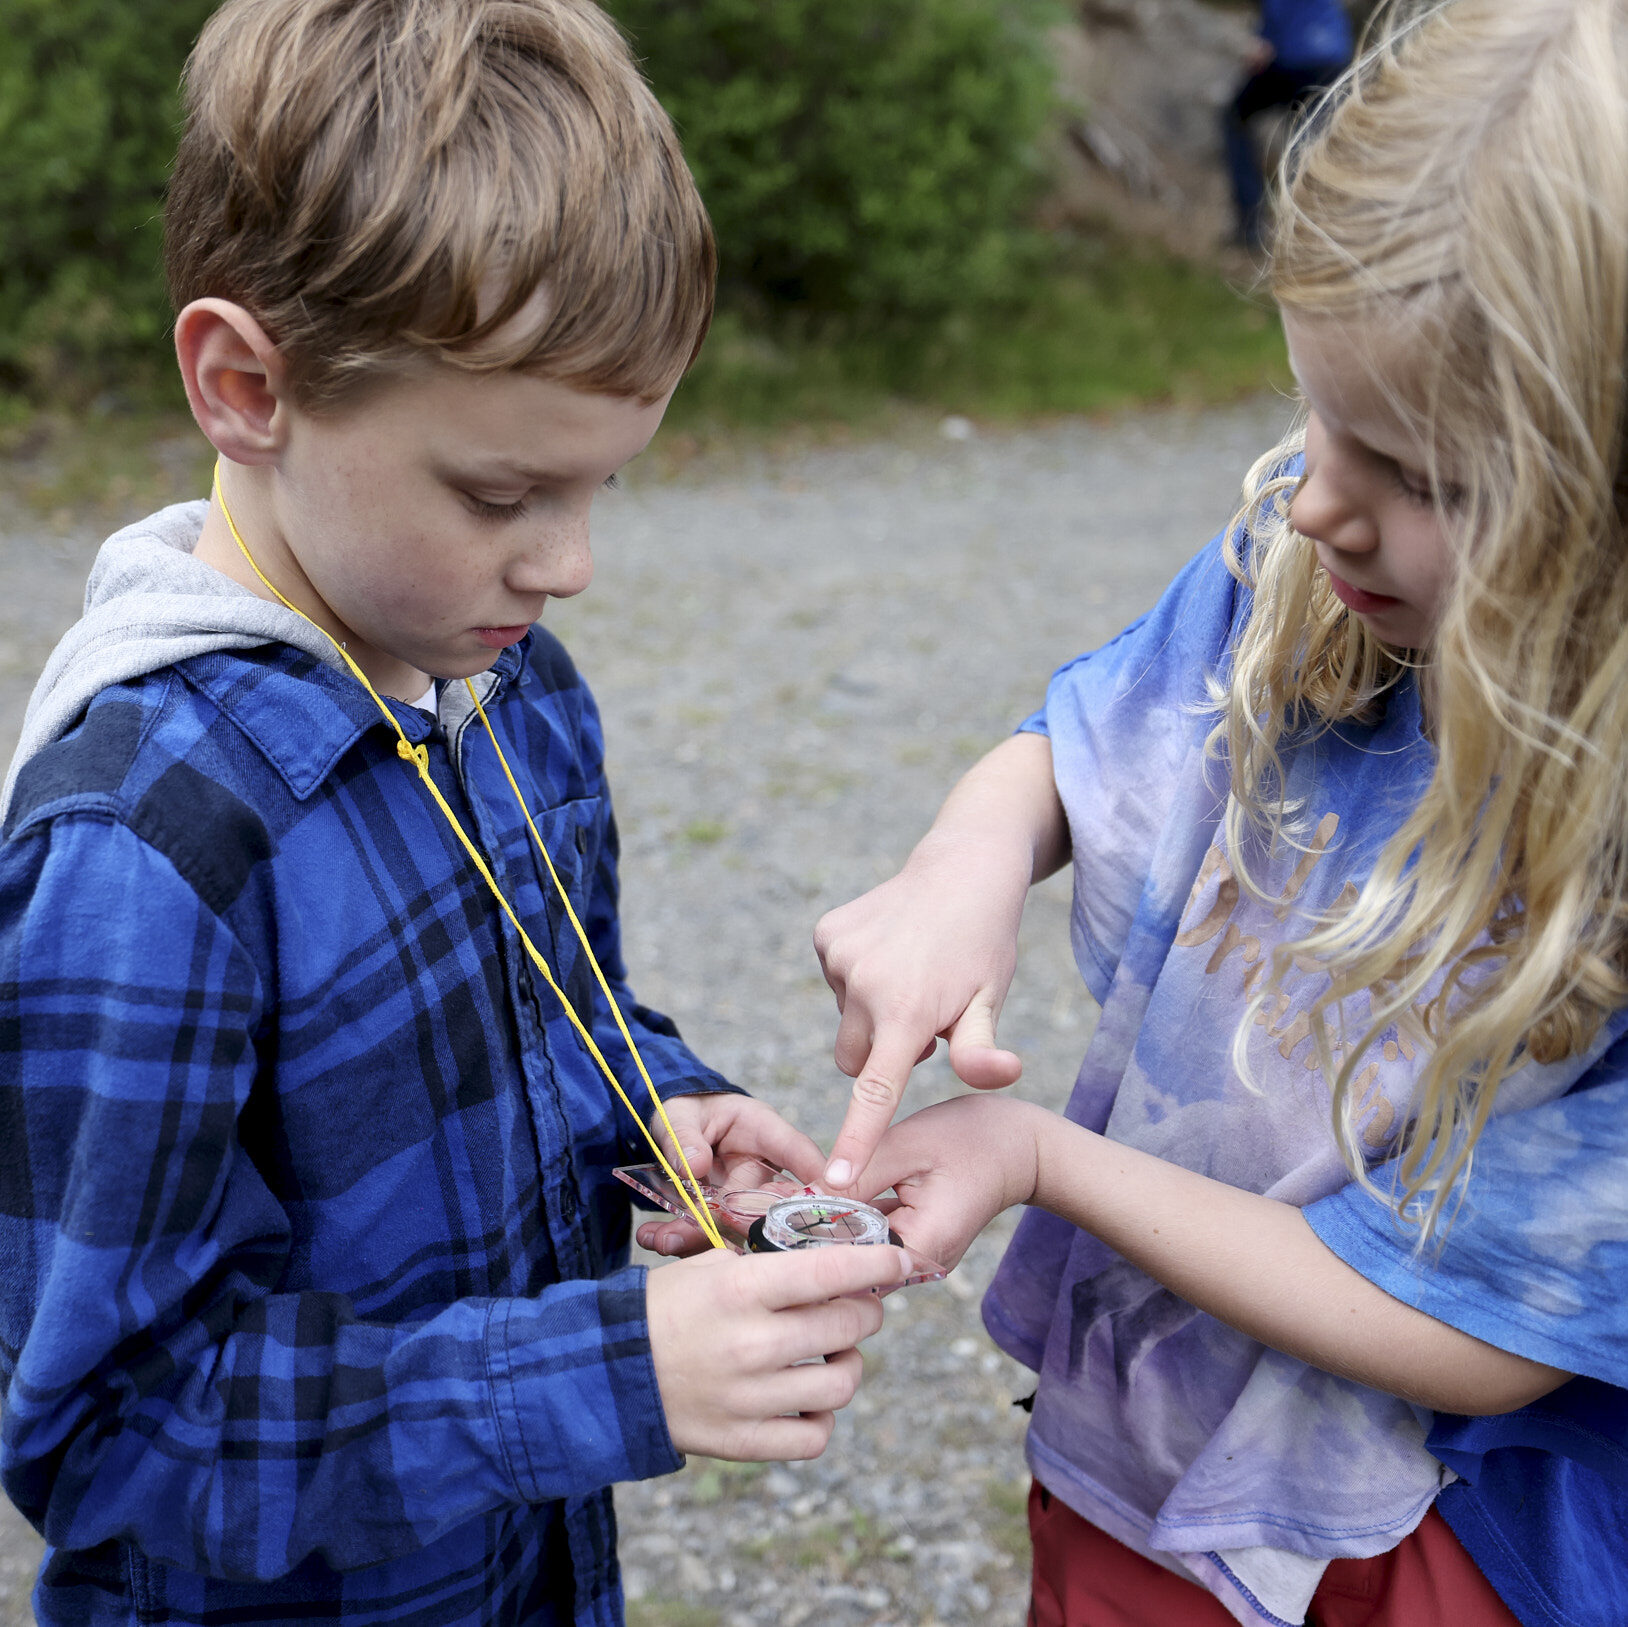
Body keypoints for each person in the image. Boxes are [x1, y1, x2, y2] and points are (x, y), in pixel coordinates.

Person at [0, 3, 909, 1623]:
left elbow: (552, 1012)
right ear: (244, 386)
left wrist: (659, 1113)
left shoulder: (509, 683)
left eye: (601, 484)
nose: (568, 564)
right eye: (500, 494)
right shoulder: (148, 844)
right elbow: (104, 1429)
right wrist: (598, 1370)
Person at [807, 1, 1628, 1622]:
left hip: (1421, 1542)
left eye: (1417, 476)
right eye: (1316, 415)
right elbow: (1072, 743)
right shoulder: (1302, 576)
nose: (1318, 502)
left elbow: (1476, 1331)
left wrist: (1038, 1153)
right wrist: (964, 862)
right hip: (1134, 1449)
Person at [1222, 0, 1354, 249]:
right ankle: (1310, 235)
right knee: (1307, 145)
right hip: (1335, 60)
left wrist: (1266, 40)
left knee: (1235, 118)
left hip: (1295, 61)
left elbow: (1273, 28)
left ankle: (1252, 227)